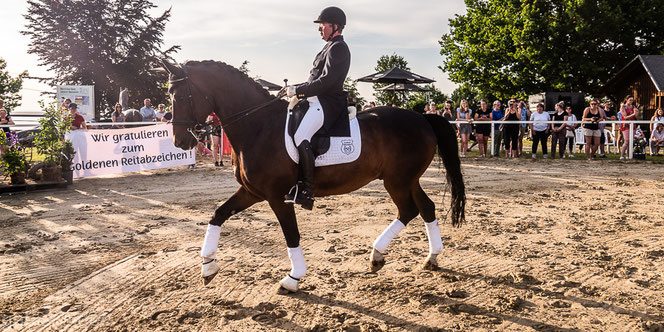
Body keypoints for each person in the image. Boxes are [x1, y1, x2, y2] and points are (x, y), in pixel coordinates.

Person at [283, 6, 350, 210]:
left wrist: (299, 90)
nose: (320, 29)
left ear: (335, 26)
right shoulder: (328, 47)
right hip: (316, 100)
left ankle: (307, 190)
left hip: (327, 103)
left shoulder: (338, 48)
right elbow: (314, 80)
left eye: (323, 25)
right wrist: (294, 88)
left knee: (301, 136)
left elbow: (327, 81)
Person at [619, 95, 639, 159]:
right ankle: (622, 155)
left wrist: (636, 112)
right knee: (626, 140)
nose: (631, 101)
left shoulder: (633, 107)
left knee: (631, 141)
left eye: (632, 100)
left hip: (633, 125)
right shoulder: (623, 107)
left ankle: (628, 155)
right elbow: (625, 117)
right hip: (626, 125)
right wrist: (633, 114)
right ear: (626, 100)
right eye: (630, 100)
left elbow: (636, 117)